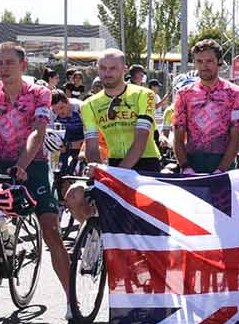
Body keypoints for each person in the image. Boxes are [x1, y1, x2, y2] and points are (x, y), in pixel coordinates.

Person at [0, 42, 73, 311]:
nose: (3, 68)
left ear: (23, 66)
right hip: (2, 167)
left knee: (51, 231)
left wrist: (22, 165)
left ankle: (70, 298)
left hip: (35, 167)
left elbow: (38, 132)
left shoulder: (39, 92)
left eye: (9, 62)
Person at [63, 49, 165, 223]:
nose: (107, 73)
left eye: (113, 68)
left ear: (124, 70)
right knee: (74, 196)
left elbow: (141, 140)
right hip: (114, 163)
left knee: (142, 223)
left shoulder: (144, 95)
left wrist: (115, 175)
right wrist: (96, 168)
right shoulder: (89, 105)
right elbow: (92, 146)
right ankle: (95, 236)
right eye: (103, 68)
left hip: (146, 163)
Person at [172, 39, 239, 175]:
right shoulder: (183, 94)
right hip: (192, 162)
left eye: (209, 61)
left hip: (224, 164)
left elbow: (236, 135)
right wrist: (186, 167)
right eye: (199, 61)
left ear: (219, 61)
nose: (204, 66)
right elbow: (178, 136)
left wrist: (221, 170)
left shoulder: (236, 93)